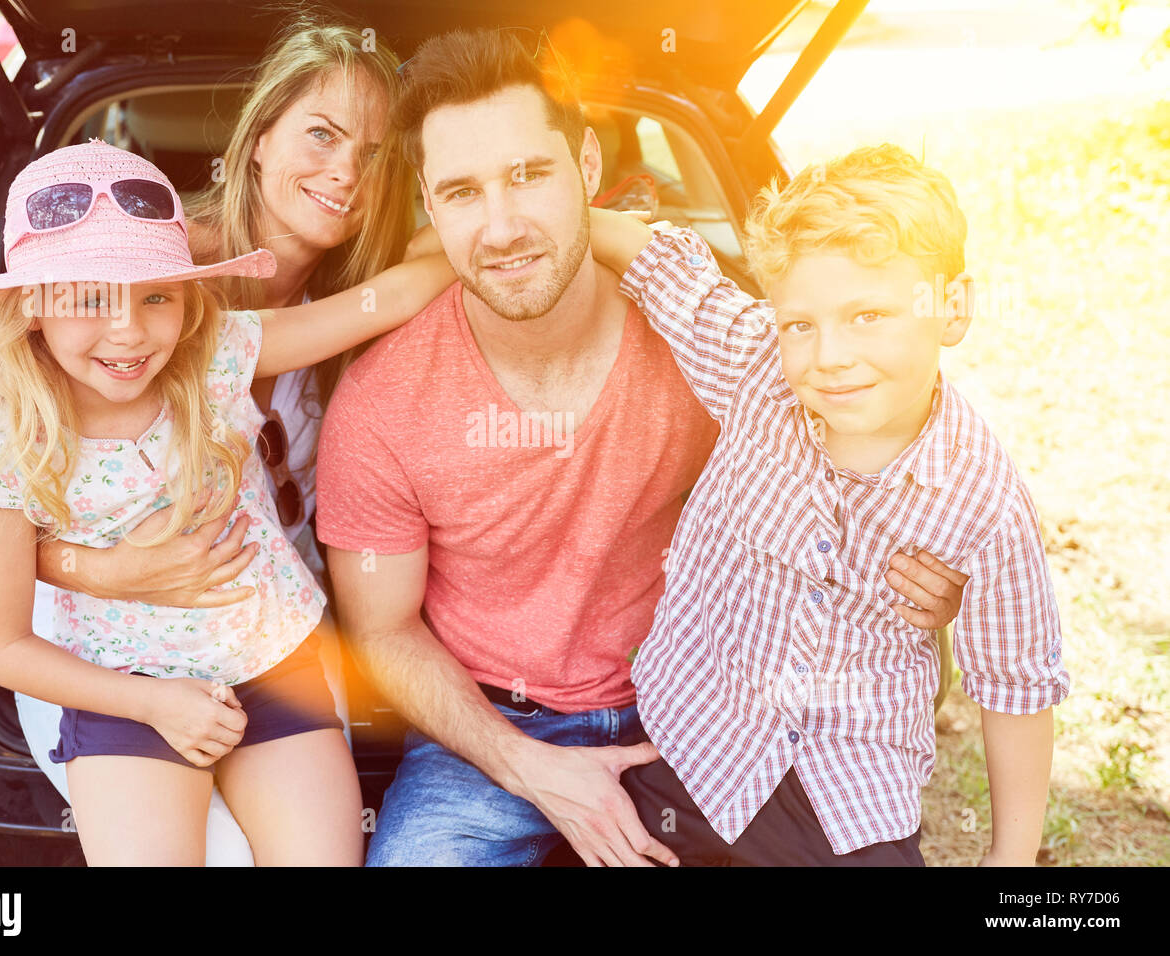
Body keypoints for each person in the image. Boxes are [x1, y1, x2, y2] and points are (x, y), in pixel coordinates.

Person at [315, 28, 967, 867]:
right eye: (464, 192)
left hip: (712, 704)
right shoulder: (380, 403)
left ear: (586, 168)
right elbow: (384, 628)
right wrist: (530, 767)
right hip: (489, 732)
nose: (504, 224)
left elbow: (857, 466)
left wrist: (923, 578)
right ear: (429, 207)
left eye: (528, 174)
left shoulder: (702, 348)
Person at [0, 12, 413, 864]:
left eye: (375, 153)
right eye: (322, 134)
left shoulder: (206, 341)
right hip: (121, 682)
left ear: (188, 301)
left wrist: (501, 230)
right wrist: (109, 573)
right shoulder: (28, 421)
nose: (126, 328)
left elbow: (379, 304)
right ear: (258, 139)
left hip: (275, 655)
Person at [590, 144, 1071, 866]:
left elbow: (1016, 684)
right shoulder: (755, 365)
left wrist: (1009, 861)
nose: (829, 356)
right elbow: (655, 261)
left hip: (852, 789)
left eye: (867, 315)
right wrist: (538, 220)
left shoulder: (985, 500)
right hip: (691, 746)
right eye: (801, 324)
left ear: (953, 307)